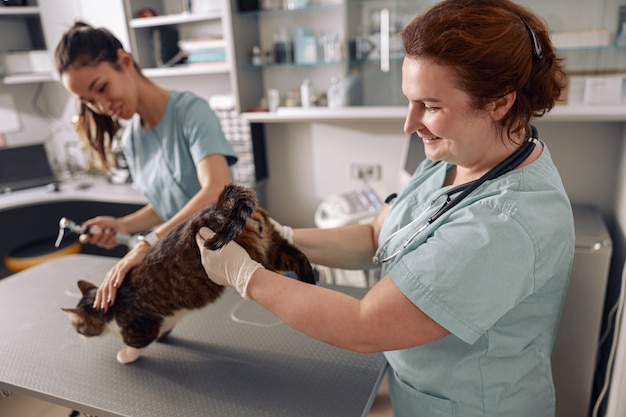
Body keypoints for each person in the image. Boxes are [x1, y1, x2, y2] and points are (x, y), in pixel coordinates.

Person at [196, 0, 575, 415]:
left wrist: (246, 276)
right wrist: (279, 238)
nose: (409, 124)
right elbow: (377, 235)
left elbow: (365, 325)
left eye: (430, 106)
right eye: (410, 101)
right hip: (415, 392)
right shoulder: (460, 158)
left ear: (499, 102)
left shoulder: (505, 225)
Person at [55, 21, 238, 312]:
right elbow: (170, 205)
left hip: (233, 254)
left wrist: (147, 243)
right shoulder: (131, 139)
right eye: (90, 101)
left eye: (101, 88)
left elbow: (217, 191)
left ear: (124, 61)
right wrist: (122, 225)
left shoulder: (191, 112)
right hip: (191, 268)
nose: (102, 106)